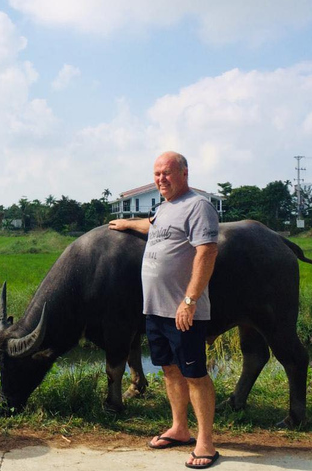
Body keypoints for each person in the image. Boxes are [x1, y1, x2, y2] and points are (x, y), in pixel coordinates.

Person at [109, 152, 220, 470]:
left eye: (167, 173)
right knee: (170, 370)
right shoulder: (164, 208)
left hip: (182, 311)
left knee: (195, 374)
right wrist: (128, 223)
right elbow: (153, 226)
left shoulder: (198, 206)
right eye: (157, 174)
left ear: (184, 173)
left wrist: (189, 300)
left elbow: (207, 251)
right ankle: (179, 428)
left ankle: (206, 442)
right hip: (155, 310)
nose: (161, 179)